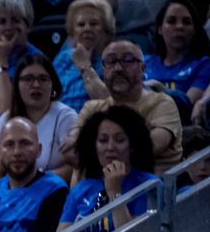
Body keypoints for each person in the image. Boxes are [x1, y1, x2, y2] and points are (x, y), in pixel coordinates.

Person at [45, 106, 159, 232]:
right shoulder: (81, 189)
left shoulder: (148, 185)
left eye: (119, 140)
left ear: (132, 145)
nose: (110, 147)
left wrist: (114, 192)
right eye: (103, 140)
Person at [67, 39, 184, 173]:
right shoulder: (92, 108)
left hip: (145, 190)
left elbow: (148, 148)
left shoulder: (162, 104)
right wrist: (136, 133)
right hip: (92, 192)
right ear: (103, 70)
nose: (118, 68)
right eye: (111, 62)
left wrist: (89, 146)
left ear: (143, 68)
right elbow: (70, 150)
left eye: (128, 60)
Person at [0, 116, 70, 232]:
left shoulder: (55, 190)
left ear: (39, 150)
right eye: (9, 145)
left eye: (25, 144)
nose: (17, 152)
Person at [0, 52, 77, 180]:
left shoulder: (66, 117)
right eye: (28, 79)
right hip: (12, 192)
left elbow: (73, 168)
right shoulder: (7, 119)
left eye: (43, 79)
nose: (36, 85)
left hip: (52, 190)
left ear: (53, 85)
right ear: (17, 84)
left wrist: (34, 184)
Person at [146, 0, 210, 115]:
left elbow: (187, 104)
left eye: (186, 22)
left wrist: (159, 89)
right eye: (171, 21)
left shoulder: (203, 64)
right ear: (160, 29)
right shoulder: (144, 62)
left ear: (194, 30)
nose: (179, 26)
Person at [54, 0, 114, 114]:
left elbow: (109, 103)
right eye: (81, 24)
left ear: (107, 32)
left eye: (94, 24)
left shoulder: (113, 60)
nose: (87, 28)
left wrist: (85, 67)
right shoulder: (63, 58)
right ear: (72, 33)